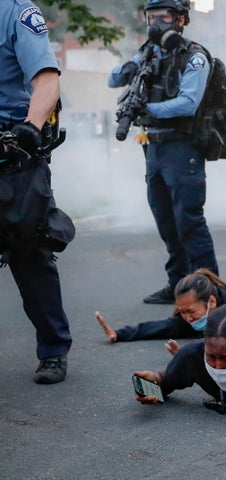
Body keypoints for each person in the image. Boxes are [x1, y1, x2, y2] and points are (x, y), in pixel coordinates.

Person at [108, 0, 218, 305]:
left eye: (164, 16)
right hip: (153, 146)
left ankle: (210, 290)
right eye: (151, 16)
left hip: (183, 147)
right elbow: (112, 79)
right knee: (166, 220)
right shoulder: (148, 52)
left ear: (181, 19)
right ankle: (178, 285)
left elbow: (188, 103)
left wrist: (149, 108)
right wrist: (130, 66)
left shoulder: (194, 57)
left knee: (189, 221)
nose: (156, 22)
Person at [0, 1, 75, 384]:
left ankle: (53, 349)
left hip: (11, 149)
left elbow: (46, 78)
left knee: (29, 252)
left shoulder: (15, 11)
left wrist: (30, 128)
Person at [95, 268, 226, 354]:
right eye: (182, 311)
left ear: (211, 303)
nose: (187, 317)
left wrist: (190, 354)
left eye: (190, 311)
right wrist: (120, 333)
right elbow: (162, 326)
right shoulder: (191, 316)